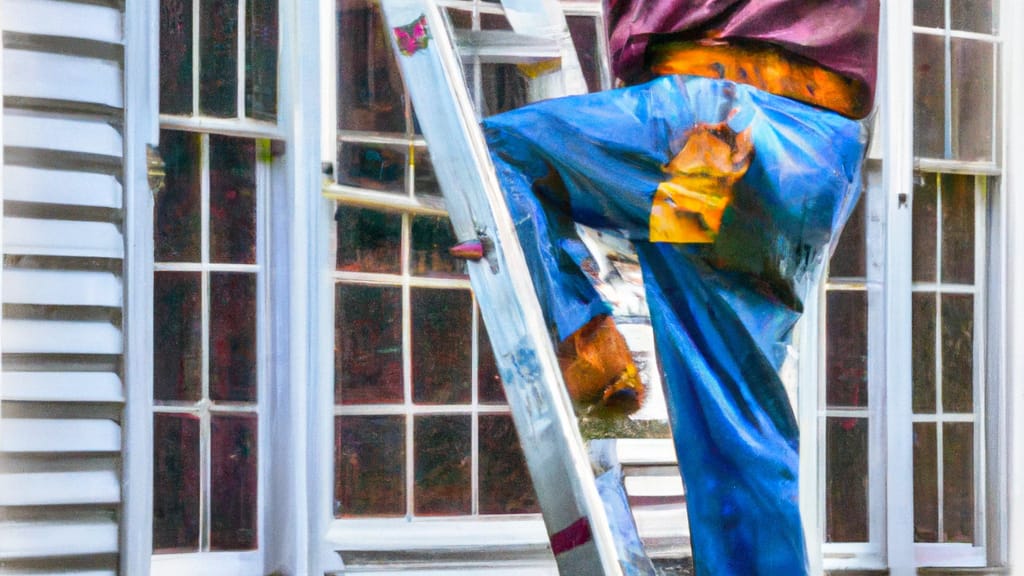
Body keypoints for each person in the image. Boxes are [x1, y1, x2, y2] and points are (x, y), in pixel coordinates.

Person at [481, 1, 879, 574]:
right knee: (736, 419)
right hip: (819, 156)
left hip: (706, 127)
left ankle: (589, 347)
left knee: (497, 156)